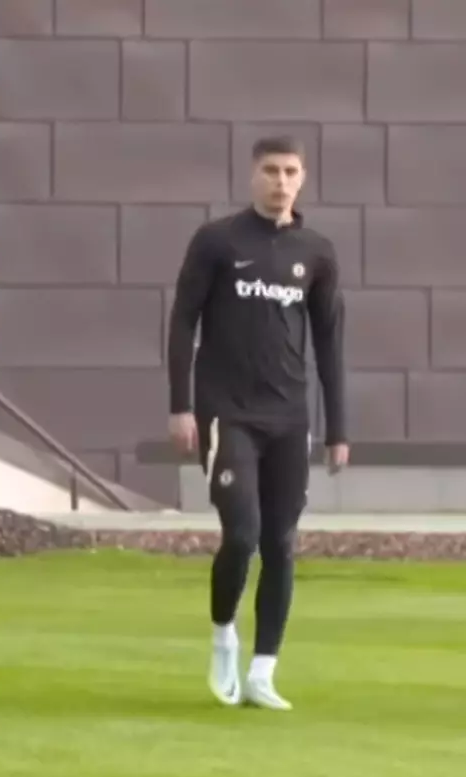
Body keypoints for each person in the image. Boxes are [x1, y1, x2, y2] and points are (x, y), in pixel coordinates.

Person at [165, 135, 348, 711]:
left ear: (304, 178)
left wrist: (339, 426)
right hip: (227, 413)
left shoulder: (316, 252)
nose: (281, 180)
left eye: (291, 171)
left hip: (289, 418)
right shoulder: (218, 241)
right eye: (271, 170)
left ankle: (264, 671)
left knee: (281, 544)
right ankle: (224, 637)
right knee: (241, 534)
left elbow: (330, 341)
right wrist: (180, 404)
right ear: (253, 176)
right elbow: (181, 323)